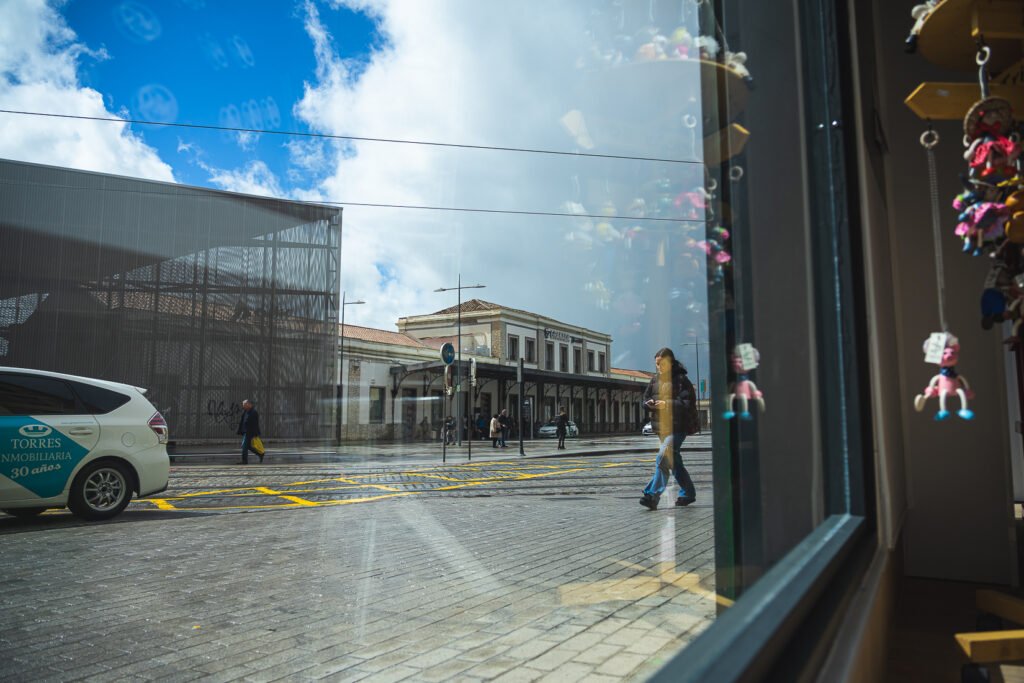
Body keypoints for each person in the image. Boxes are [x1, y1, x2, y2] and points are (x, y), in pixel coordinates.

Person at [639, 348, 697, 510]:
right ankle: (688, 493)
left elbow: (687, 404)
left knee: (663, 457)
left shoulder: (681, 380)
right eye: (657, 364)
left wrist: (666, 404)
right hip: (662, 428)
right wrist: (648, 404)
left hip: (678, 427)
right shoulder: (654, 380)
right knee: (674, 462)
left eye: (662, 364)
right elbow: (645, 399)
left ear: (670, 362)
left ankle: (651, 495)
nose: (659, 368)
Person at [236, 399, 263, 464]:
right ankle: (260, 454)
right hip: (245, 432)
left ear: (249, 404)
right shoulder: (245, 412)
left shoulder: (254, 412)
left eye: (244, 405)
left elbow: (255, 424)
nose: (243, 406)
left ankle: (244, 461)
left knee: (244, 446)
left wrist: (254, 433)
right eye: (243, 405)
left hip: (250, 432)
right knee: (247, 446)